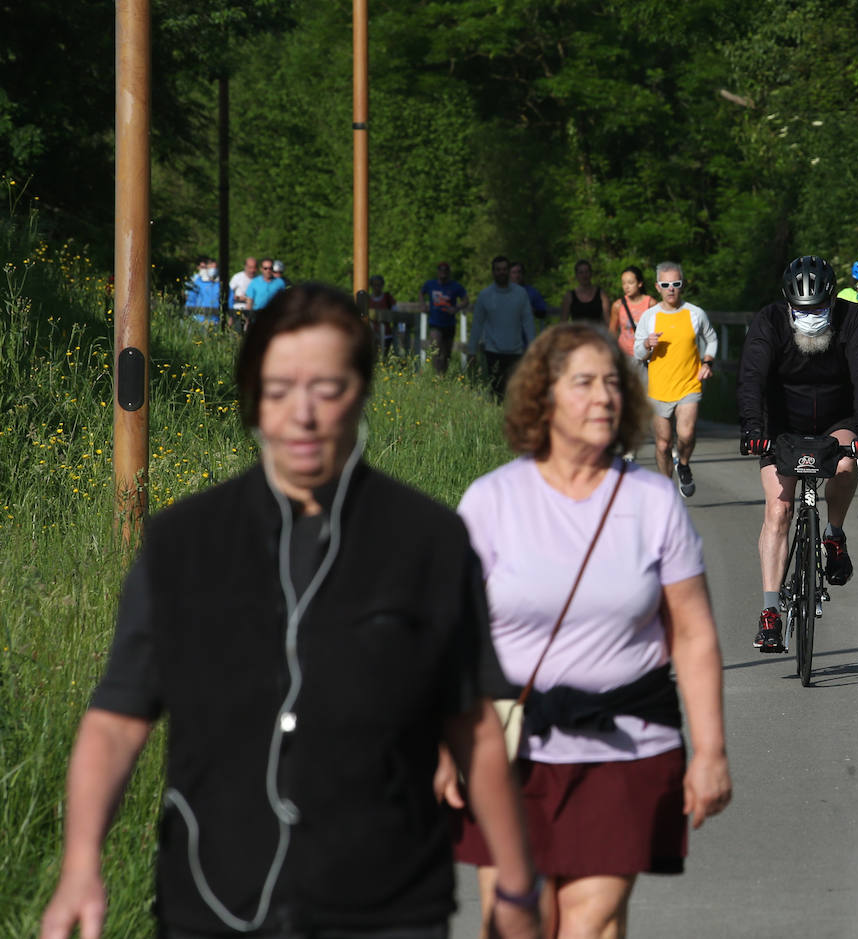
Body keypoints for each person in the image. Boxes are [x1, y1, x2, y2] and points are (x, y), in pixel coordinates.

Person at [40, 284, 540, 939]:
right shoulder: (182, 543)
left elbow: (472, 725)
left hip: (388, 904)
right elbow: (116, 720)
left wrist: (515, 879)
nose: (302, 414)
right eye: (278, 390)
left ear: (360, 391)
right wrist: (81, 861)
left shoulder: (430, 541)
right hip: (213, 901)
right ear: (252, 396)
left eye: (327, 388)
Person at [452, 322, 732, 938]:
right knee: (516, 919)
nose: (604, 397)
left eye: (612, 383)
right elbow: (452, 635)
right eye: (584, 383)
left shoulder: (653, 501)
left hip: (628, 743)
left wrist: (709, 751)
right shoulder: (491, 501)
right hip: (511, 746)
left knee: (589, 921)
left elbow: (692, 633)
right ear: (544, 397)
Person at [736, 255, 858, 652]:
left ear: (831, 300)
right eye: (803, 309)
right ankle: (769, 612)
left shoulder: (851, 319)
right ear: (787, 304)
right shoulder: (769, 321)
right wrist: (752, 429)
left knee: (847, 464)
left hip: (838, 417)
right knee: (778, 510)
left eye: (818, 308)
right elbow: (751, 377)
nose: (811, 316)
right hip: (781, 424)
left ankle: (833, 535)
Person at [633, 261, 718, 497]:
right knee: (662, 444)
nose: (671, 288)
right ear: (657, 286)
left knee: (687, 434)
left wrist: (708, 362)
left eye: (676, 284)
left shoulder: (695, 313)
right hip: (658, 389)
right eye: (666, 284)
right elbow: (638, 353)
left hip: (689, 384)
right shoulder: (649, 317)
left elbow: (711, 339)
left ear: (683, 285)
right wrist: (647, 345)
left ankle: (683, 463)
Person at [467, 255, 535, 400]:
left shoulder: (520, 294)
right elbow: (477, 324)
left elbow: (528, 322)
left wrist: (533, 347)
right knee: (497, 393)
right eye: (498, 270)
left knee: (515, 392)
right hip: (493, 351)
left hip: (515, 351)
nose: (501, 272)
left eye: (504, 269)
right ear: (493, 272)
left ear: (508, 271)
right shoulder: (485, 295)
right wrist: (471, 351)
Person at [420, 261, 469, 375]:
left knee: (446, 353)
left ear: (449, 272)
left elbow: (466, 300)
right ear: (438, 272)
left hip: (449, 323)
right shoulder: (430, 284)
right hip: (434, 322)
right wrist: (423, 304)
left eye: (445, 270)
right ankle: (437, 375)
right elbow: (421, 293)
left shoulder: (455, 286)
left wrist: (456, 307)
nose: (443, 272)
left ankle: (443, 375)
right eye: (441, 270)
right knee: (436, 348)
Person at [560, 259, 611, 324]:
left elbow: (608, 319)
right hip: (578, 333)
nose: (584, 275)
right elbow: (563, 321)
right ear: (576, 275)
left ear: (591, 273)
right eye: (581, 272)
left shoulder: (601, 294)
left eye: (587, 272)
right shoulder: (569, 296)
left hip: (597, 332)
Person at [366, 274, 397, 355]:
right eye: (375, 285)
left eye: (379, 285)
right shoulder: (368, 299)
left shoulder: (387, 298)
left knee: (384, 356)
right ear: (371, 286)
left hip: (386, 334)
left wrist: (400, 331)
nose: (377, 288)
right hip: (372, 335)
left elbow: (396, 314)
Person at [185, 256, 220, 325]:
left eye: (215, 268)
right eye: (211, 267)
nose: (213, 270)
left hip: (215, 321)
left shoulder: (219, 284)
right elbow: (190, 300)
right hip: (198, 320)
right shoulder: (196, 281)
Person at [227, 256, 258, 331]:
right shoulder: (238, 277)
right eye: (250, 267)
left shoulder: (259, 279)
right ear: (245, 267)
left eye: (254, 267)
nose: (252, 270)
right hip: (239, 309)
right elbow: (228, 292)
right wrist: (238, 297)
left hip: (254, 309)